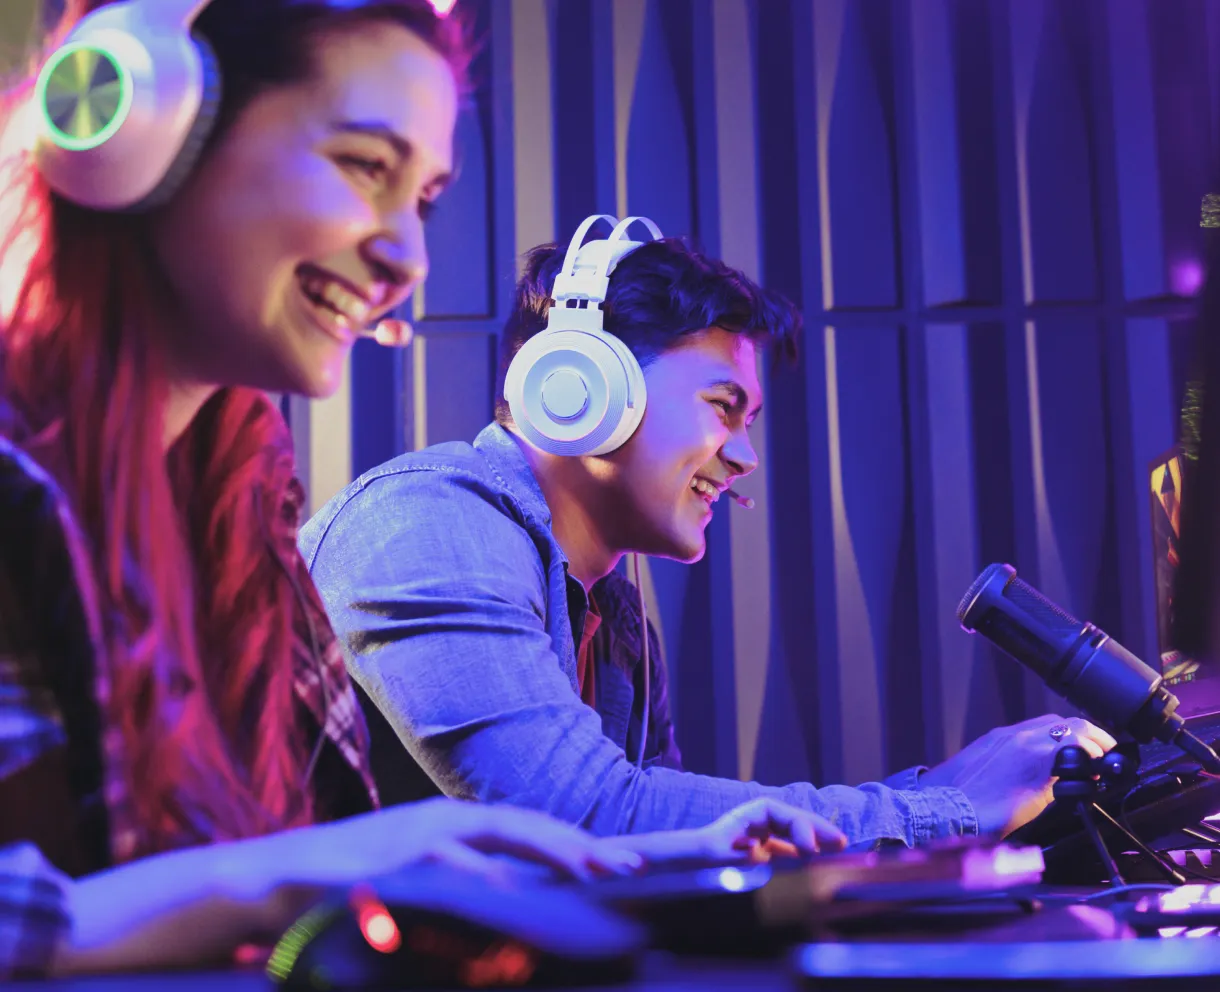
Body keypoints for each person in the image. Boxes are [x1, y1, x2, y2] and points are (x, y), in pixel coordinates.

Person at [0, 1, 843, 979]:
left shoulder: (239, 511)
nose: (407, 257)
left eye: (424, 199)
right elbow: (294, 867)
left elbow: (328, 856)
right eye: (365, 166)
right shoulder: (405, 524)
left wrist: (635, 862)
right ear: (146, 133)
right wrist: (287, 877)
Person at [302, 220, 1118, 845]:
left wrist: (954, 785)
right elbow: (582, 817)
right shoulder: (424, 523)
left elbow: (682, 844)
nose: (746, 456)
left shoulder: (615, 620)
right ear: (579, 387)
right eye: (724, 406)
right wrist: (949, 813)